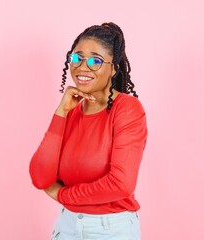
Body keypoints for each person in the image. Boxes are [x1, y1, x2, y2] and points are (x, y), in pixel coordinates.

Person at [29, 22, 148, 240]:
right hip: (66, 225)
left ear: (113, 69)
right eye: (77, 58)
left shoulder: (127, 109)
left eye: (96, 61)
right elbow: (40, 177)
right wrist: (61, 112)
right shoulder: (71, 111)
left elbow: (121, 184)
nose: (83, 67)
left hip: (111, 229)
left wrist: (64, 195)